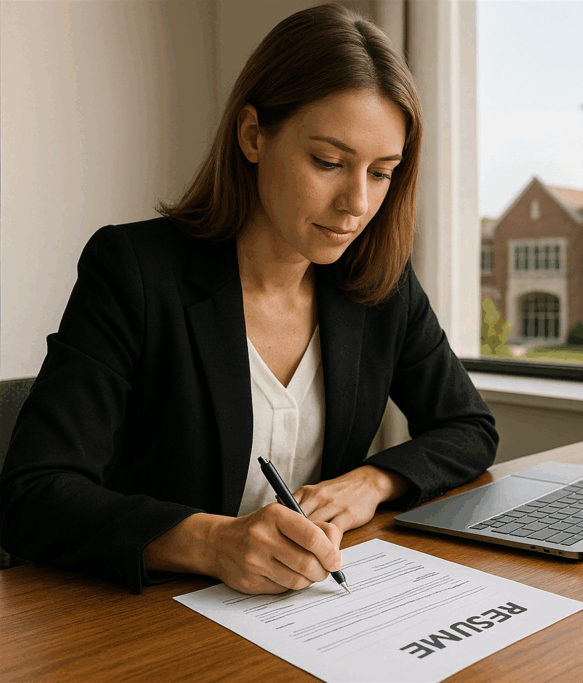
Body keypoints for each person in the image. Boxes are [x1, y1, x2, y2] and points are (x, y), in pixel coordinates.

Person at [0, 4, 497, 595]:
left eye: (382, 172)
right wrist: (212, 542)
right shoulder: (133, 270)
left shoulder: (379, 284)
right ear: (253, 135)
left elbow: (469, 427)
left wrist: (371, 482)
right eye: (329, 162)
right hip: (149, 616)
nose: (357, 204)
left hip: (302, 618)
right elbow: (31, 494)